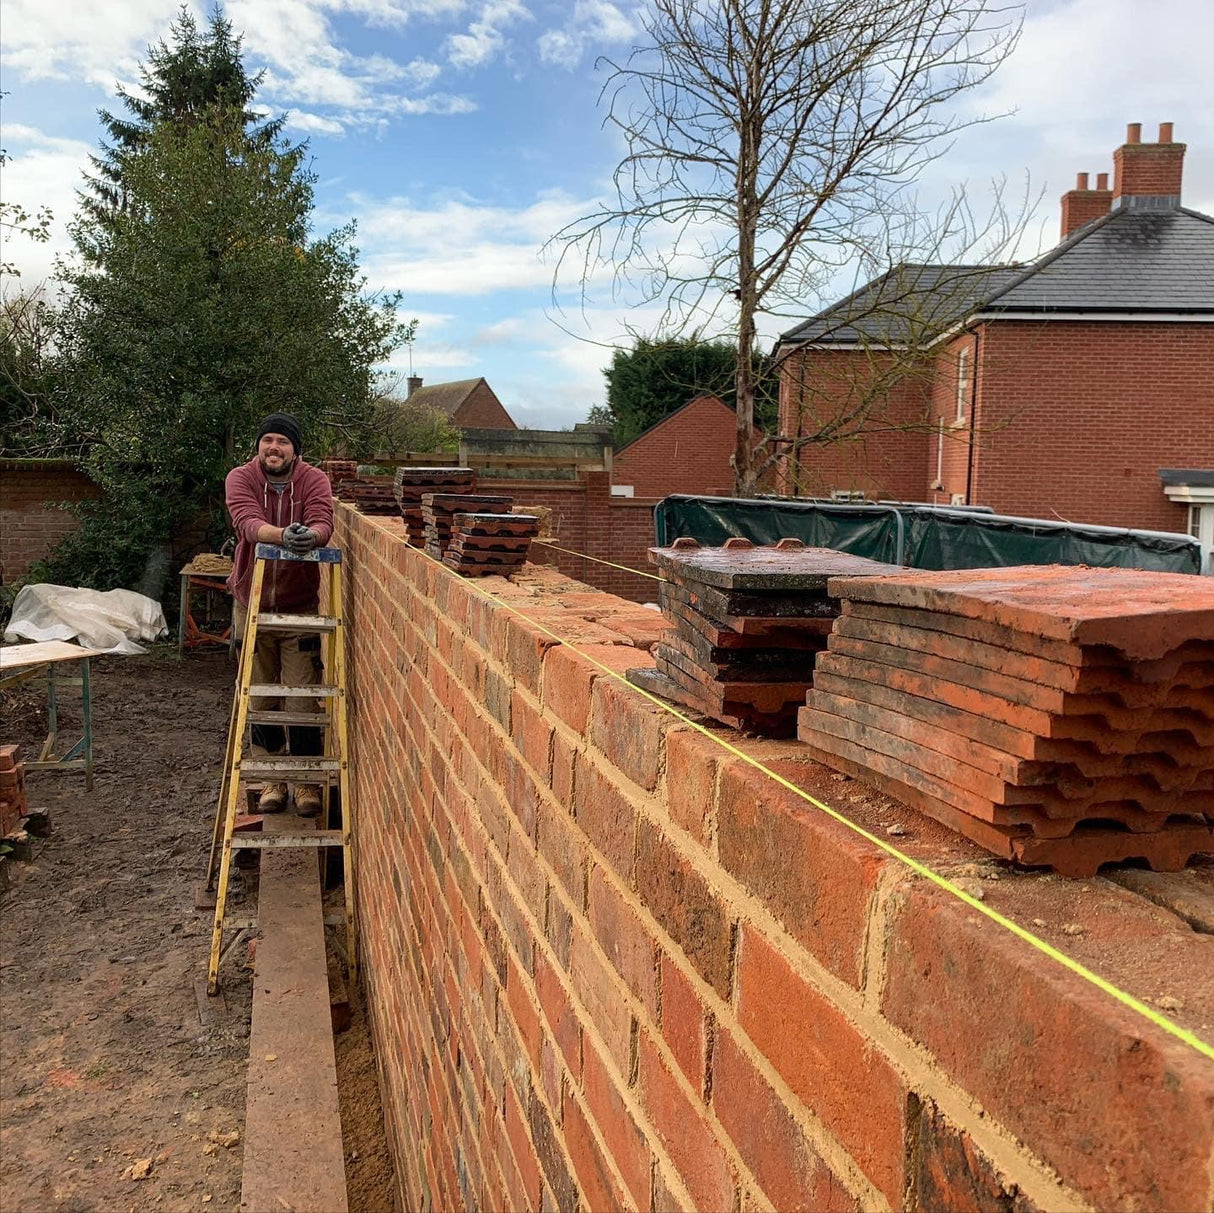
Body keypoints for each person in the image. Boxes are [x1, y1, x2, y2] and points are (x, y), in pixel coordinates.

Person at [225, 413, 334, 815]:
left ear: (295, 450)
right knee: (261, 696)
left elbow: (324, 520)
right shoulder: (241, 477)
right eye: (267, 440)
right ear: (259, 446)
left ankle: (306, 785)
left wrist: (316, 536)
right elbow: (247, 523)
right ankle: (273, 779)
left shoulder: (313, 480)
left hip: (299, 607)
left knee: (304, 699)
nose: (274, 447)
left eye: (282, 442)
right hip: (250, 606)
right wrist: (284, 535)